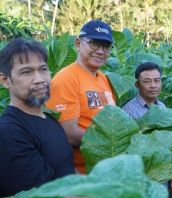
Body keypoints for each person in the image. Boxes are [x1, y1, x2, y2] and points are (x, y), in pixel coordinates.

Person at [0, 38, 74, 197]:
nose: (40, 79)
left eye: (43, 69)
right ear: (5, 80)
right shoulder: (8, 132)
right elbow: (48, 194)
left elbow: (68, 174)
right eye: (26, 72)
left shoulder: (50, 119)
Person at [46, 20, 116, 174]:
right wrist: (113, 145)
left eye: (106, 46)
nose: (100, 51)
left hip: (105, 169)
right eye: (94, 44)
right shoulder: (66, 78)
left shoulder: (103, 78)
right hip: (79, 173)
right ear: (78, 44)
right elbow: (69, 134)